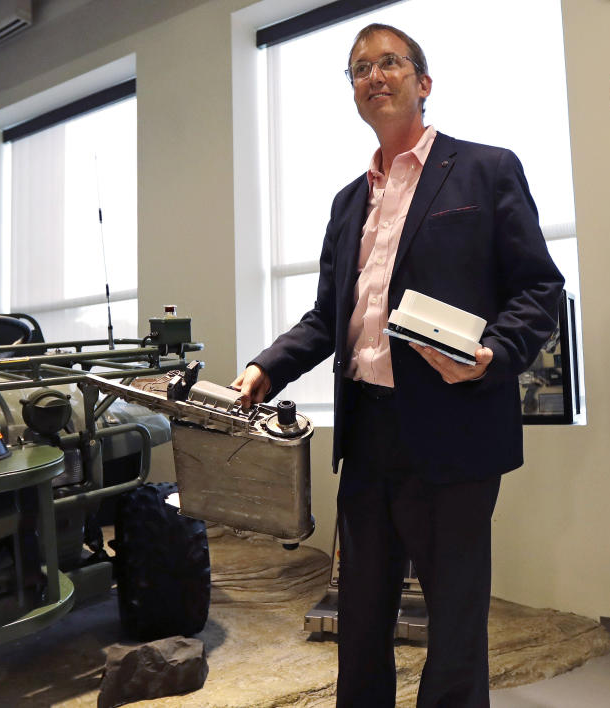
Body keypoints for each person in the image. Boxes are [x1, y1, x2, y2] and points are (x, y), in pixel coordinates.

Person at [231, 23, 565, 708]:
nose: (374, 77)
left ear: (424, 82)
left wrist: (494, 355)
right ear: (353, 90)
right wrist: (266, 368)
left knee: (455, 619)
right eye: (359, 69)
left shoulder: (485, 169)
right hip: (368, 436)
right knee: (360, 614)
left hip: (456, 430)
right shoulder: (348, 202)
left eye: (389, 63)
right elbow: (331, 316)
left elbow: (539, 289)